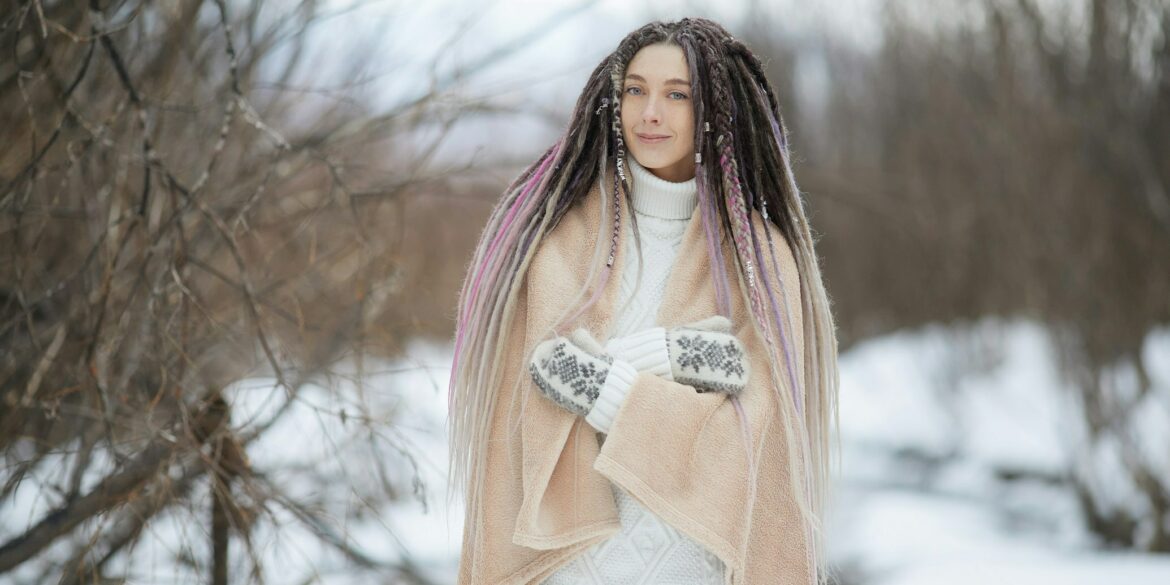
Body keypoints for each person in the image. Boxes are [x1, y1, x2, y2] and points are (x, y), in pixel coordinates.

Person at [448, 16, 840, 585]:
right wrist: (694, 366)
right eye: (635, 90)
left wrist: (620, 380)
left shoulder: (759, 256)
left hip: (697, 566)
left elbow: (757, 437)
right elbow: (532, 398)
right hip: (571, 568)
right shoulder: (555, 240)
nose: (649, 113)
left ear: (713, 110)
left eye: (676, 95)